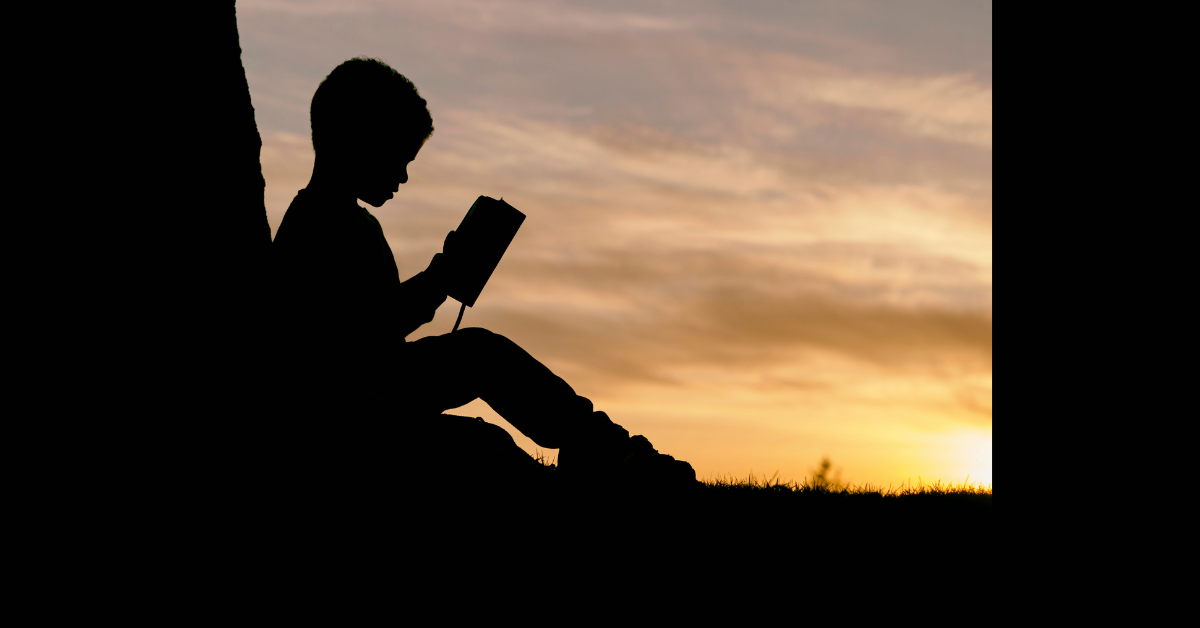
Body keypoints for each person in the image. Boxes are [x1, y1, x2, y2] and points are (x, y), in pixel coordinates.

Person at [271, 57, 695, 486]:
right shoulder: (315, 226)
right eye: (397, 157)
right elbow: (357, 338)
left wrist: (440, 277)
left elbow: (375, 325)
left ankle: (602, 448)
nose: (402, 176)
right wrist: (439, 279)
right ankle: (607, 459)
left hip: (375, 388)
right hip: (349, 412)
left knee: (481, 355)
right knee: (485, 437)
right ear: (357, 140)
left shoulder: (348, 221)